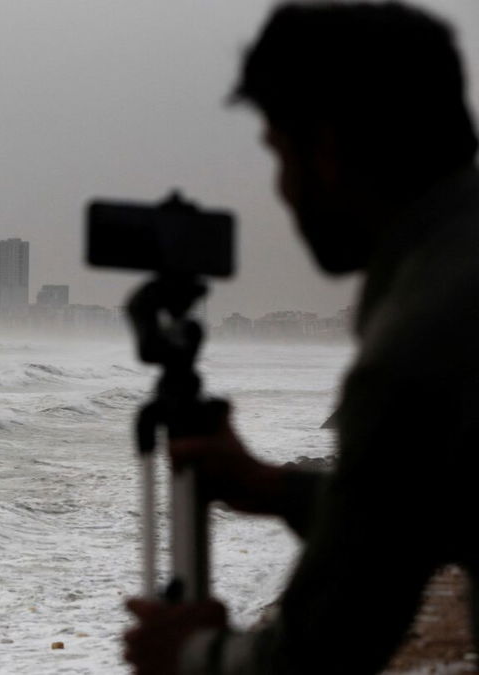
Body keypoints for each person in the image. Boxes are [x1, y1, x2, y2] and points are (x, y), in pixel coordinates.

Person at [123, 3, 479, 674]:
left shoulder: (421, 343)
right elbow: (419, 514)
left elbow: (325, 649)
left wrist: (191, 653)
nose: (282, 190)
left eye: (280, 155)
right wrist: (273, 487)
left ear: (326, 150)